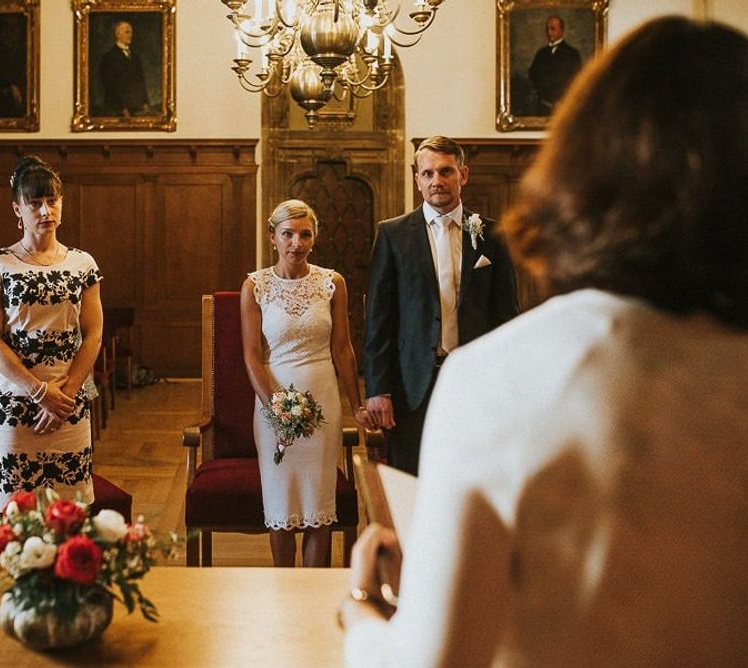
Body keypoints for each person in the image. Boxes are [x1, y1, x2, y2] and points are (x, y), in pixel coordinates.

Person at [341, 17, 748, 665]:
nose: (436, 181)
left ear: (585, 171)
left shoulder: (496, 381)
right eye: (427, 172)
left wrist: (362, 612)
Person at [363, 136, 519, 475]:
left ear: (462, 174)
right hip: (411, 383)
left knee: (472, 476)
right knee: (412, 477)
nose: (437, 181)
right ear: (417, 179)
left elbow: (506, 318)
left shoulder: (492, 235)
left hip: (473, 380)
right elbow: (378, 320)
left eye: (445, 171)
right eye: (428, 173)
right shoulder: (393, 235)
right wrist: (378, 389)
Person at [241, 199, 375, 568]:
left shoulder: (332, 283)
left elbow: (343, 349)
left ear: (314, 239)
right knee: (281, 503)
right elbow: (251, 355)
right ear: (273, 237)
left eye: (305, 234)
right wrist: (275, 406)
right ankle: (283, 587)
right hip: (273, 401)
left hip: (323, 400)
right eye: (287, 234)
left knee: (319, 505)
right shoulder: (255, 286)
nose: (296, 243)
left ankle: (314, 593)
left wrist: (357, 404)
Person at [0, 155, 103, 513]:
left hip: (68, 403)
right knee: (15, 520)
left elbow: (93, 334)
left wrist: (67, 393)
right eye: (35, 203)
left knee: (69, 520)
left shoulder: (83, 263)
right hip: (16, 405)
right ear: (17, 209)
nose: (45, 210)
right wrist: (38, 391)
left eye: (52, 201)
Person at [528, 16, 582, 116]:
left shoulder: (572, 53)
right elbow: (533, 74)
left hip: (564, 106)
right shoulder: (541, 53)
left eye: (553, 29)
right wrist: (543, 95)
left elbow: (576, 79)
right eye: (547, 29)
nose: (549, 33)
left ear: (562, 30)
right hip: (543, 105)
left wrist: (562, 100)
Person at [99, 20, 150, 117]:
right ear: (118, 34)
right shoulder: (108, 57)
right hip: (117, 109)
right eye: (127, 32)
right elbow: (110, 86)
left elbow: (141, 82)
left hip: (136, 108)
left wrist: (145, 102)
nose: (130, 35)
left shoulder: (135, 57)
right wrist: (122, 108)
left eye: (131, 32)